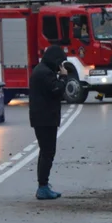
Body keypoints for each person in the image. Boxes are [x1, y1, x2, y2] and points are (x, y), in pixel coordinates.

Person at [29, 46, 68, 200]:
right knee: (47, 152)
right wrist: (64, 77)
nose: (61, 67)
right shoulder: (44, 73)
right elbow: (56, 90)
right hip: (45, 119)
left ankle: (43, 184)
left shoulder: (42, 70)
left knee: (45, 151)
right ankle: (42, 187)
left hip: (43, 117)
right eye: (60, 63)